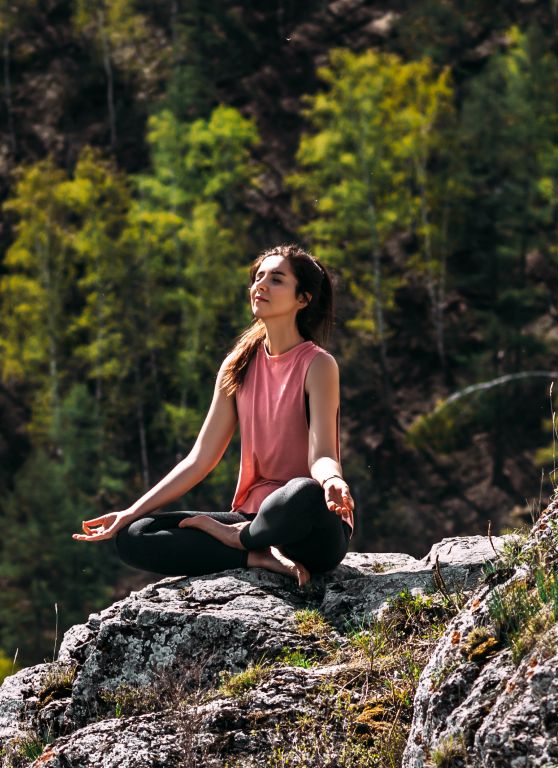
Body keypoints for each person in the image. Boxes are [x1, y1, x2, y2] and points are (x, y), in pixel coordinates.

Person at [71, 244, 356, 586]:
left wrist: (332, 481)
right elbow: (200, 459)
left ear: (303, 299)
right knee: (136, 535)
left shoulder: (318, 364)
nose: (260, 285)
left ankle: (245, 539)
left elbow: (321, 453)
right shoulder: (238, 364)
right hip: (250, 516)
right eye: (258, 277)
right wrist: (131, 512)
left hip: (310, 526)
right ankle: (254, 554)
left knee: (302, 492)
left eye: (276, 279)